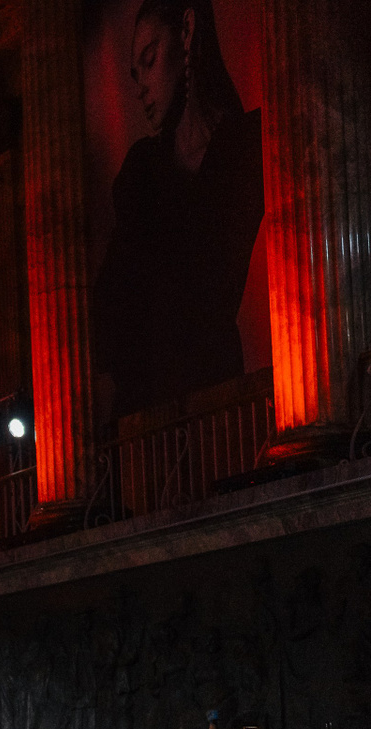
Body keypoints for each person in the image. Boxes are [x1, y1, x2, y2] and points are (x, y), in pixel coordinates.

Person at [90, 0, 263, 418]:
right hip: (143, 403)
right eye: (135, 74)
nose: (141, 88)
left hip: (215, 394)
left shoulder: (247, 146)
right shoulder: (142, 170)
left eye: (149, 60)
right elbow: (112, 303)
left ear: (187, 31)